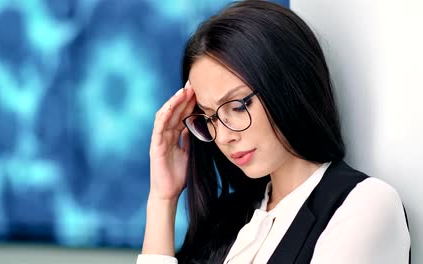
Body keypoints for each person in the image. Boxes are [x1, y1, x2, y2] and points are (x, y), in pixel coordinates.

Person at [137, 1, 411, 263]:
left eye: (238, 106)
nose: (223, 136)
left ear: (286, 84)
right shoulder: (228, 220)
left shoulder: (363, 206)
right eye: (209, 118)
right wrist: (162, 198)